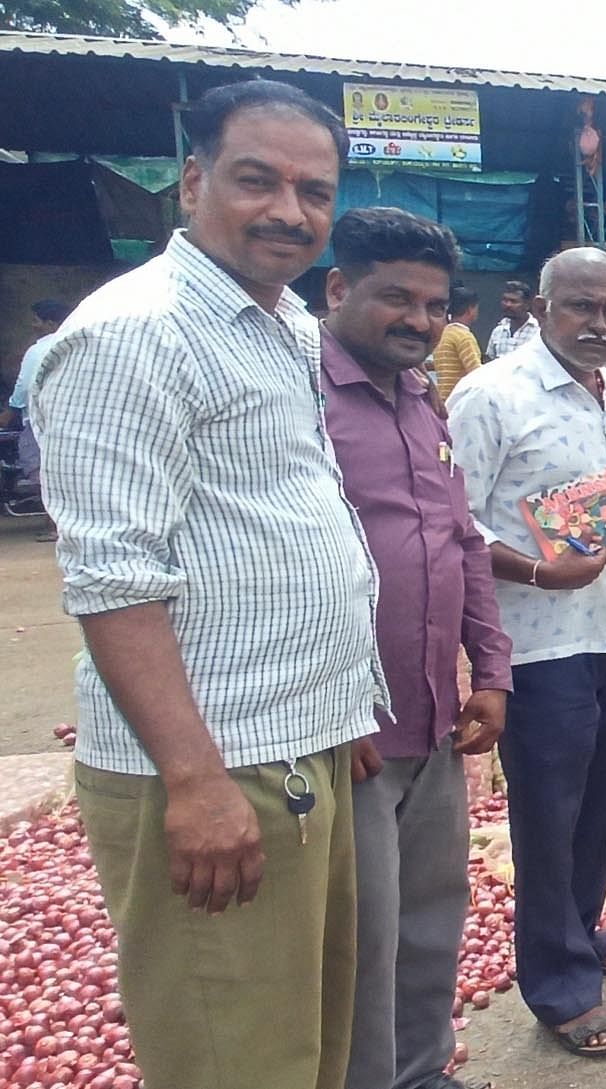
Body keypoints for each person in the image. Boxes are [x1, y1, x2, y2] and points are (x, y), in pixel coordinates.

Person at [35, 78, 383, 1089]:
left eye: (314, 191)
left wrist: (341, 698)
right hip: (214, 766)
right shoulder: (132, 334)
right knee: (230, 1057)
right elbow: (113, 578)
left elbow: (280, 516)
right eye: (256, 180)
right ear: (191, 182)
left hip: (298, 743)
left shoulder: (281, 329)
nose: (290, 211)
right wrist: (193, 781)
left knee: (300, 1045)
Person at [446, 246, 606, 1059]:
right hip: (538, 648)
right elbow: (453, 523)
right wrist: (540, 571)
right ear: (540, 309)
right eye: (581, 306)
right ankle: (560, 985)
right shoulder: (490, 396)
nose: (599, 325)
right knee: (548, 816)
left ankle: (584, 929)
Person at [317, 207, 513, 1089]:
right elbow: (283, 564)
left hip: (433, 709)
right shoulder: (298, 399)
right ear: (337, 289)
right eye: (396, 297)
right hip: (347, 727)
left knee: (434, 911)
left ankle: (424, 1069)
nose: (420, 321)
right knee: (362, 928)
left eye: (435, 305)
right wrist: (326, 698)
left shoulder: (419, 397)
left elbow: (460, 540)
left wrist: (491, 671)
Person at [5, 298, 70, 539]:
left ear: (50, 323)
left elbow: (24, 387)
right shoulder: (76, 341)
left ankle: (55, 525)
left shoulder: (39, 349)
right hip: (69, 420)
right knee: (65, 471)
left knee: (40, 470)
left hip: (39, 419)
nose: (33, 325)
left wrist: (9, 411)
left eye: (37, 320)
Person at [429, 283, 481, 407]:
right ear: (470, 310)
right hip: (459, 402)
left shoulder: (443, 333)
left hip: (443, 399)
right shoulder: (463, 336)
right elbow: (476, 372)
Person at [484, 280, 540, 358]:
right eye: (505, 300)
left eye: (513, 301)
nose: (508, 305)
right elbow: (490, 359)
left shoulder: (538, 332)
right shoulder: (498, 330)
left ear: (527, 305)